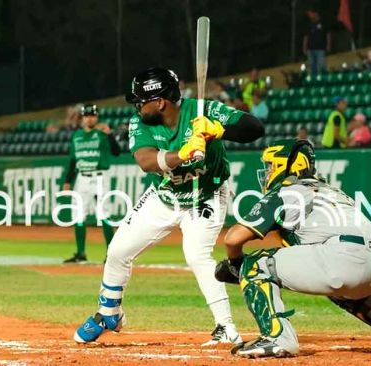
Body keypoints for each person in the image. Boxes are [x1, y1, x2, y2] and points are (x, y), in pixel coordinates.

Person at [73, 67, 265, 346]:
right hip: (163, 197)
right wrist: (183, 154)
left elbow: (254, 128)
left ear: (160, 102)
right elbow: (146, 160)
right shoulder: (140, 123)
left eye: (141, 101)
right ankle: (109, 314)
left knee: (197, 255)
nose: (138, 107)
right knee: (117, 251)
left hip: (206, 195)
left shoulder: (203, 110)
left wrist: (218, 130)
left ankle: (226, 327)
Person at [213, 139, 371, 358]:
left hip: (341, 260)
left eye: (271, 165)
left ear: (287, 165)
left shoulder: (288, 191)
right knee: (340, 284)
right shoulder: (331, 190)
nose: (268, 172)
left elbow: (233, 239)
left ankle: (277, 338)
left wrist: (236, 264)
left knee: (255, 263)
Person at [62, 105, 121, 263]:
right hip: (82, 178)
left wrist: (110, 135)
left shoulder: (102, 134)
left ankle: (111, 255)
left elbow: (116, 152)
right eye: (87, 115)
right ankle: (81, 253)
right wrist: (68, 180)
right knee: (79, 214)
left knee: (104, 214)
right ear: (82, 118)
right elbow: (74, 160)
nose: (90, 118)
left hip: (100, 177)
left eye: (93, 115)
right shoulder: (77, 136)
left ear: (97, 117)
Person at [303, 9, 330, 75]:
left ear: (316, 14)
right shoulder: (309, 25)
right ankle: (314, 80)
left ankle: (323, 80)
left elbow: (328, 34)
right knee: (312, 66)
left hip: (320, 48)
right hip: (310, 49)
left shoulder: (323, 23)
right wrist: (304, 47)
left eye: (311, 14)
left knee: (321, 66)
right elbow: (306, 37)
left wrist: (328, 45)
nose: (310, 16)